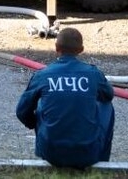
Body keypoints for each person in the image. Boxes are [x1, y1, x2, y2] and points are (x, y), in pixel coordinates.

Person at [15, 27, 115, 169]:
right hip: (87, 154)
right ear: (81, 50)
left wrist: (36, 122)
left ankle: (51, 140)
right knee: (106, 105)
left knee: (44, 104)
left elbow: (21, 111)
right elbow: (108, 95)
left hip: (50, 153)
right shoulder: (93, 73)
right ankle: (103, 162)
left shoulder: (43, 75)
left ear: (56, 47)